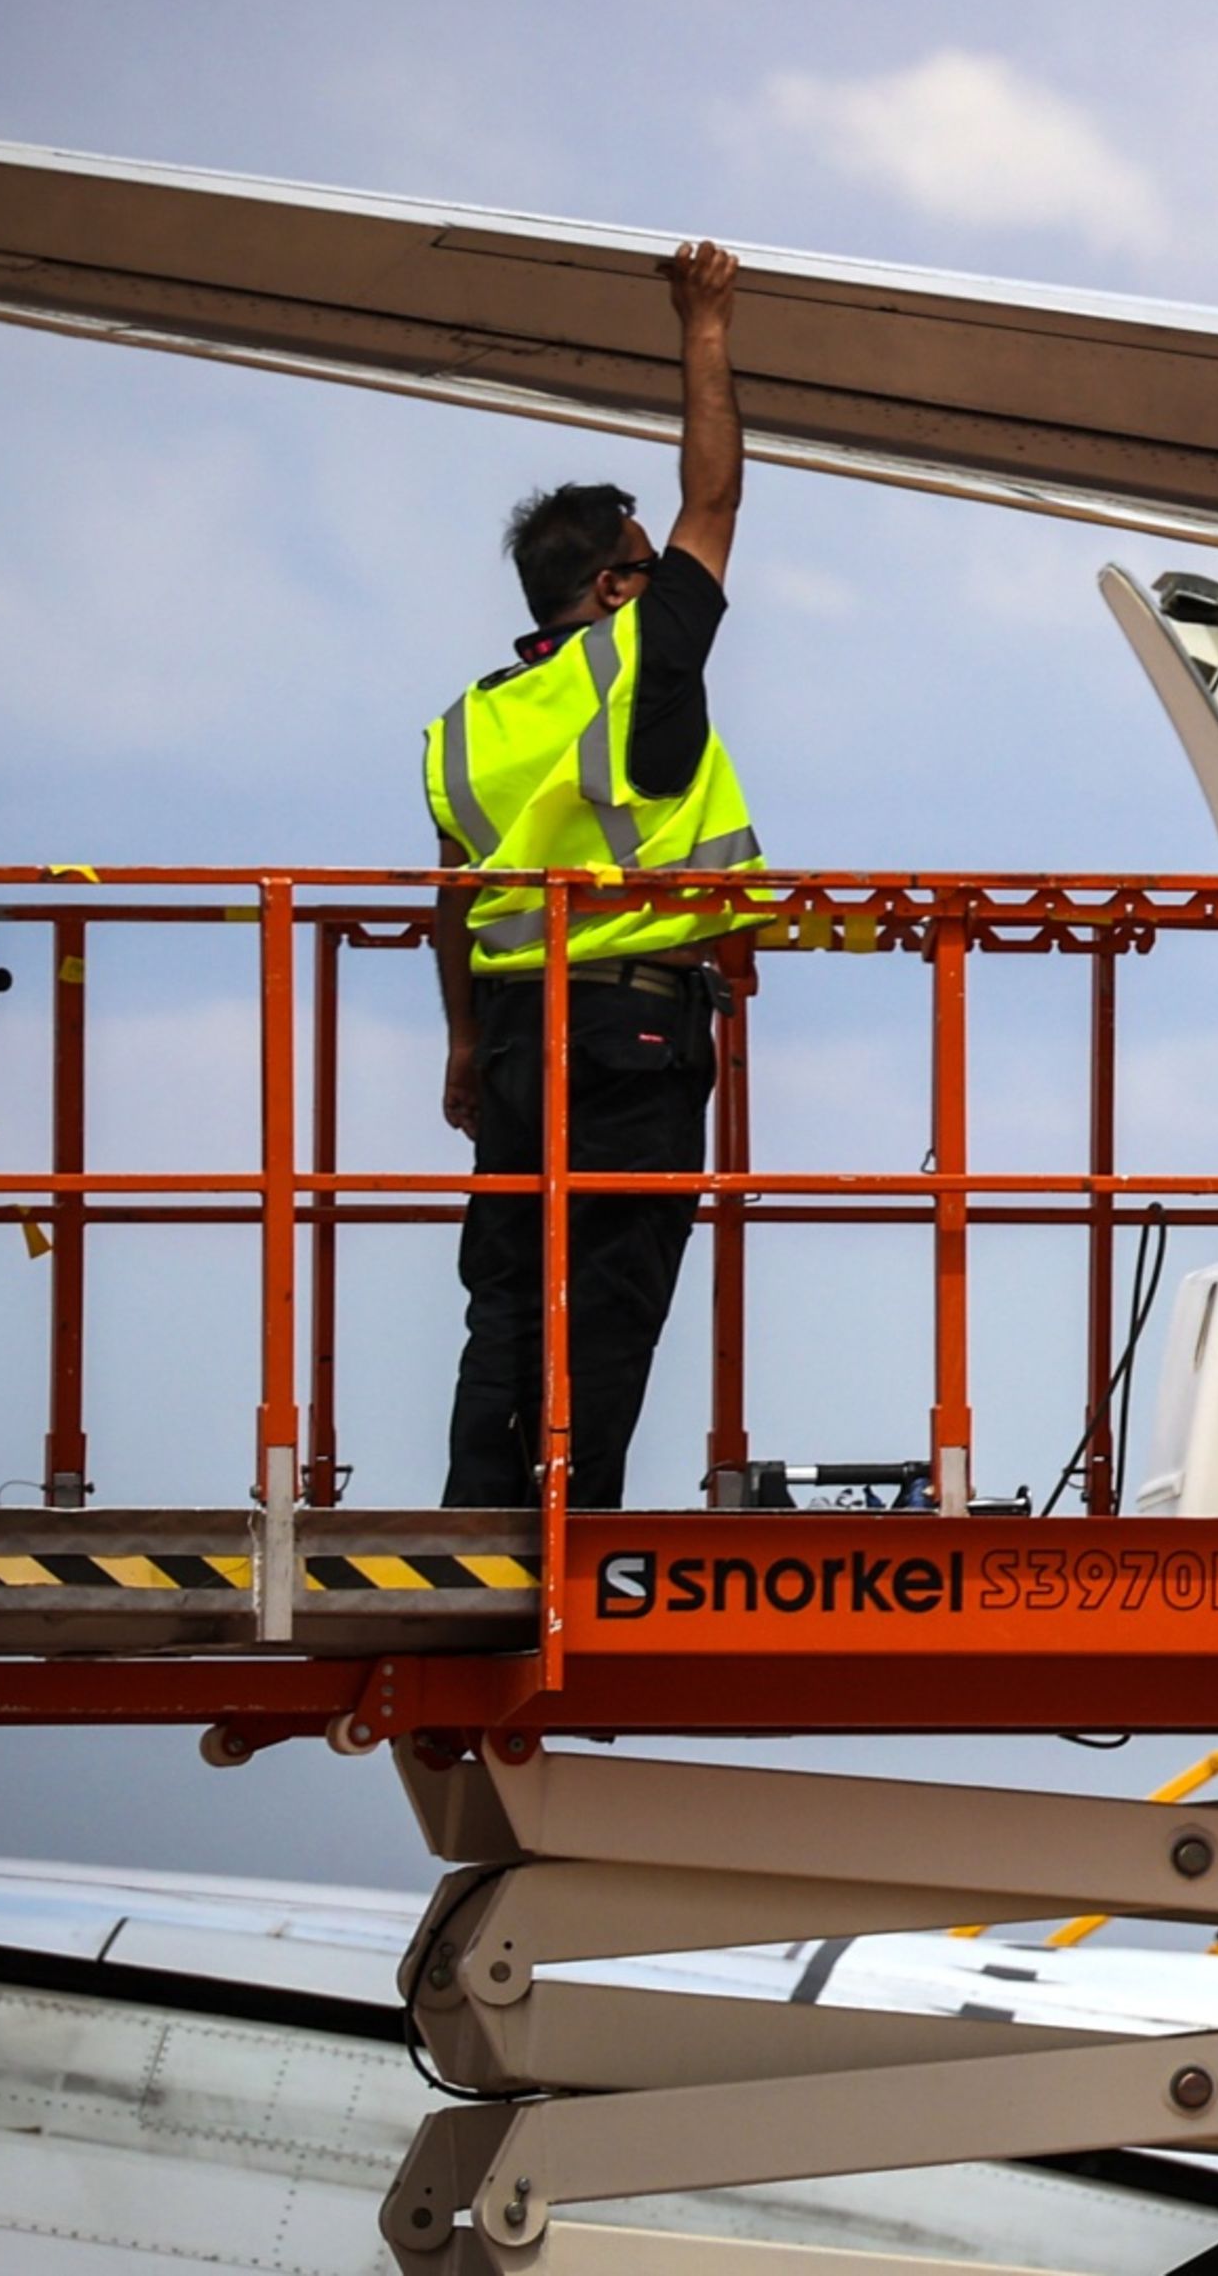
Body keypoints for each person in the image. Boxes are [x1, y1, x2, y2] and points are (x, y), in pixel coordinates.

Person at [423, 242, 767, 1510]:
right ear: (619, 586)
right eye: (645, 560)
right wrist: (706, 326)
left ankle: (477, 1524)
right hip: (632, 1028)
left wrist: (462, 1048)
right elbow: (716, 498)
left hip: (517, 1039)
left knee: (509, 1287)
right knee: (612, 1295)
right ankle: (570, 1524)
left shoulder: (468, 722)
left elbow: (451, 900)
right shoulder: (639, 669)